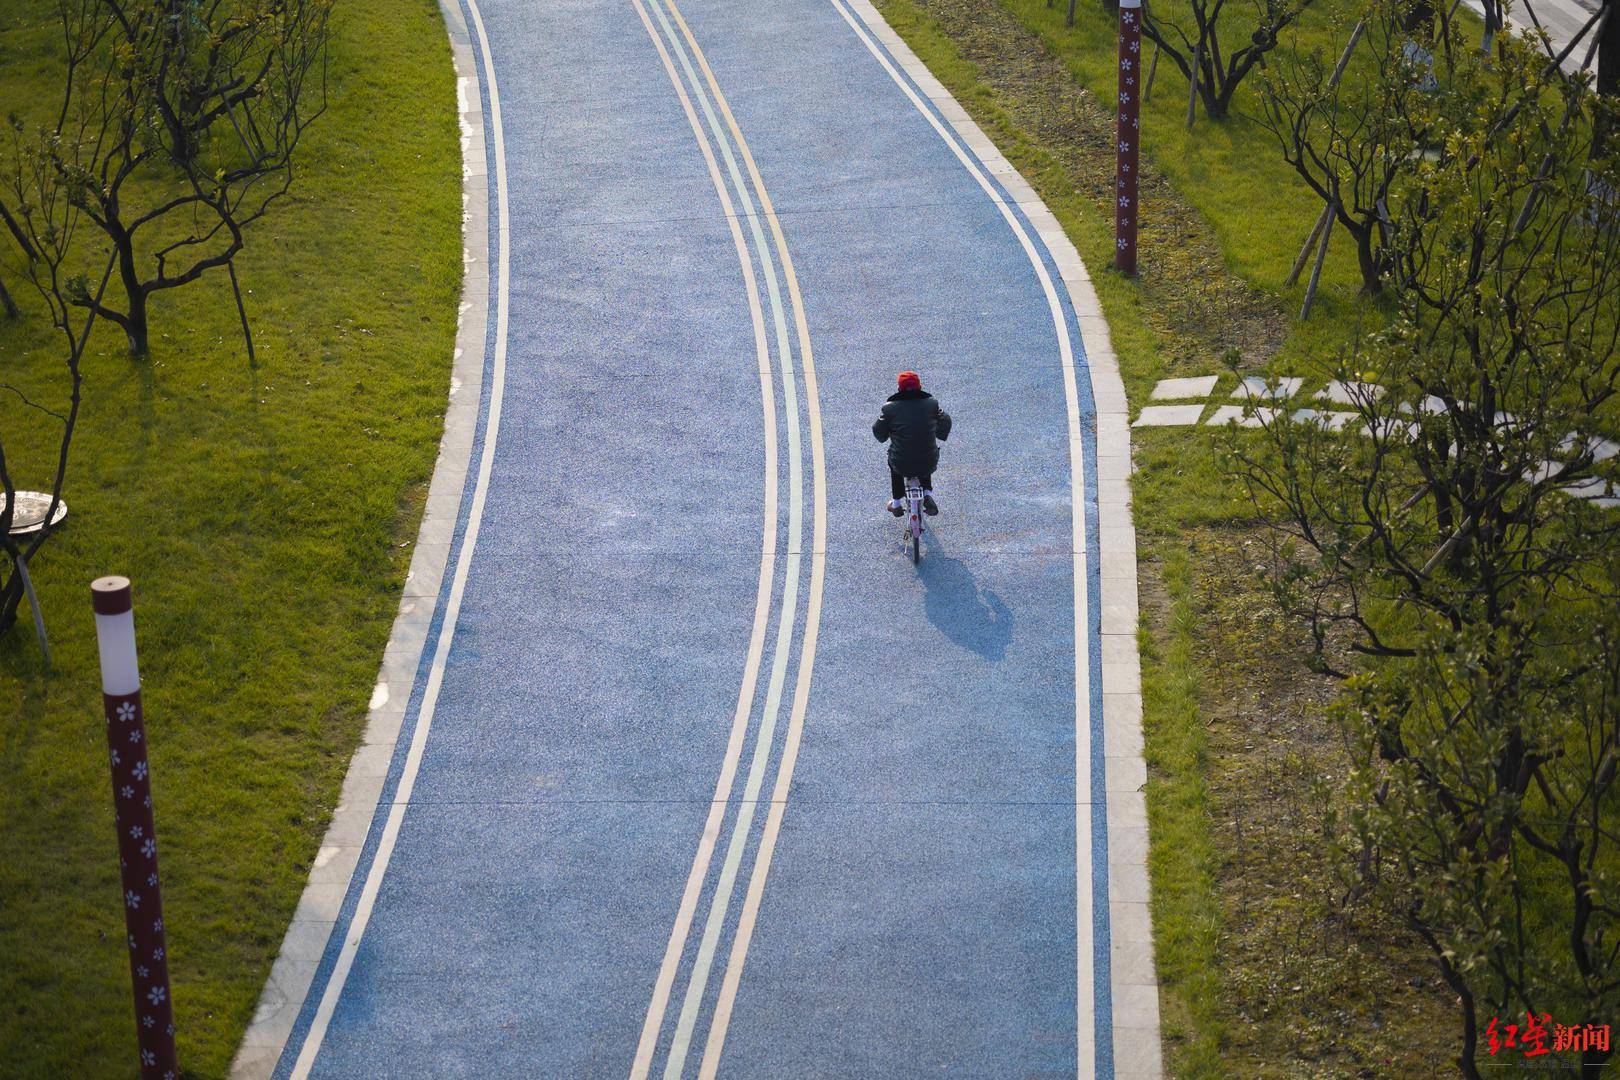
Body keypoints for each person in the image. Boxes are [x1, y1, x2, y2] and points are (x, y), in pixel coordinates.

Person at [872, 370, 952, 517]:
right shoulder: (932, 403)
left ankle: (896, 504)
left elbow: (877, 429)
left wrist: (885, 436)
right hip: (928, 461)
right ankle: (927, 493)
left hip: (901, 462)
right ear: (920, 386)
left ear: (899, 389)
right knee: (925, 448)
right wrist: (939, 434)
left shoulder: (889, 408)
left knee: (893, 460)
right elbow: (945, 420)